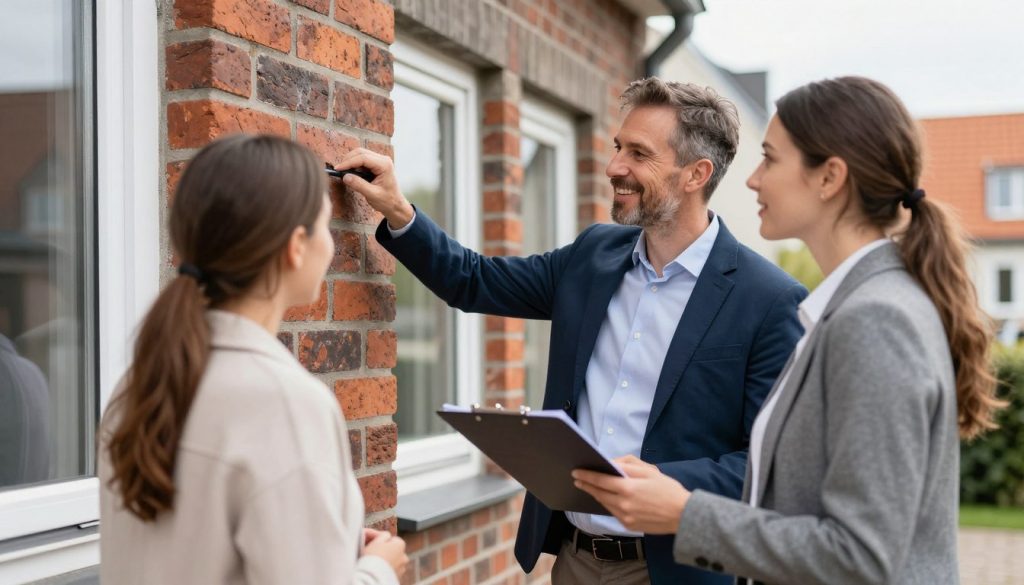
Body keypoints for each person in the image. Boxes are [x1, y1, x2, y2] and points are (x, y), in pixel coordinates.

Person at [336, 78, 807, 585]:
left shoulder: (770, 300)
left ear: (696, 174)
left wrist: (655, 483)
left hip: (677, 571)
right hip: (574, 562)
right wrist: (398, 210)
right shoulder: (594, 256)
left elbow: (770, 466)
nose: (614, 168)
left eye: (639, 154)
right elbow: (474, 282)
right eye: (618, 147)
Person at [573, 76, 1004, 585]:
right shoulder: (855, 307)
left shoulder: (876, 320)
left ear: (829, 178)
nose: (753, 180)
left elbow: (860, 556)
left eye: (771, 159)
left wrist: (685, 514)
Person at [98, 135, 407, 585]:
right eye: (324, 225)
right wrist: (379, 570)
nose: (331, 244)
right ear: (295, 247)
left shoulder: (135, 388)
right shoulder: (287, 406)